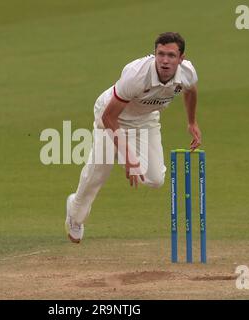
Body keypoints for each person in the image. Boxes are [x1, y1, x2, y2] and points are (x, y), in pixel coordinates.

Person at [65, 32, 202, 243]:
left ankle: (122, 153)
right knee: (98, 173)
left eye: (171, 55)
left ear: (181, 58)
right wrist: (129, 157)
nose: (165, 61)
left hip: (145, 120)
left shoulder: (188, 73)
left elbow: (190, 92)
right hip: (110, 116)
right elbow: (109, 116)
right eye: (161, 54)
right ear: (155, 54)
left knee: (156, 179)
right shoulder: (136, 75)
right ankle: (75, 214)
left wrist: (191, 122)